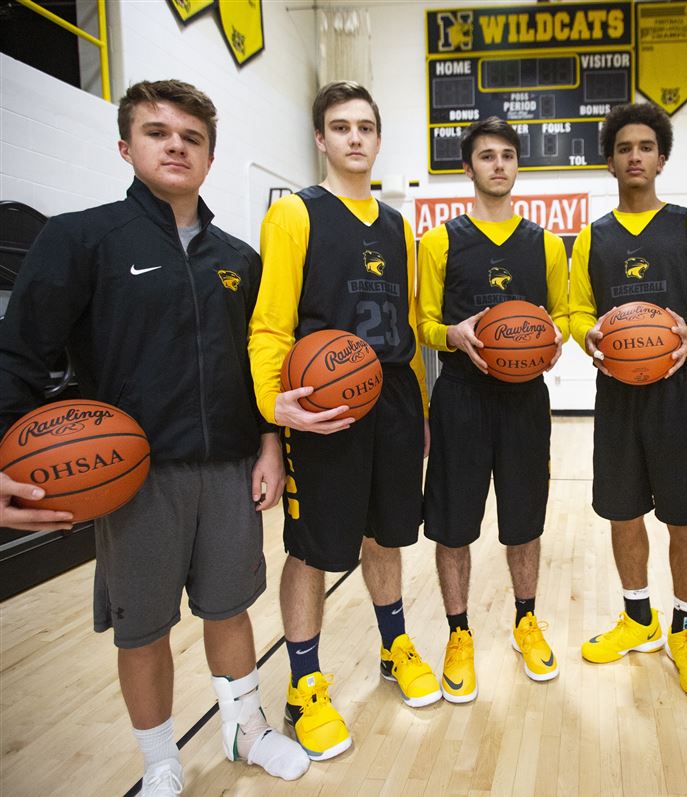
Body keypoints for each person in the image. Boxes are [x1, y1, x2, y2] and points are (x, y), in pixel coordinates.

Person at [0, 79, 309, 796]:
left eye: (192, 137)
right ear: (125, 146)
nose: (176, 146)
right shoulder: (81, 239)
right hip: (131, 477)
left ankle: (246, 729)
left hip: (229, 467)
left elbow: (256, 363)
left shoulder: (238, 257)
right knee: (142, 628)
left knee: (230, 607)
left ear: (210, 156)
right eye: (157, 132)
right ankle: (160, 759)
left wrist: (268, 442)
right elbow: (18, 354)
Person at [248, 81, 440, 760]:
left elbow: (410, 330)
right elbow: (270, 325)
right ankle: (304, 684)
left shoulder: (398, 226)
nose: (354, 137)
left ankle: (394, 646)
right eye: (340, 126)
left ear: (378, 139)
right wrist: (273, 406)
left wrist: (418, 412)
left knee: (385, 534)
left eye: (364, 126)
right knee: (312, 548)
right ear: (321, 139)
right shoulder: (294, 214)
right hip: (323, 404)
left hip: (392, 399)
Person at [569, 102, 687, 700]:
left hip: (677, 392)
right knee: (623, 510)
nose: (634, 156)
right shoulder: (592, 236)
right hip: (617, 392)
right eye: (624, 148)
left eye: (645, 147)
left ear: (661, 159)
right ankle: (639, 618)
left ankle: (685, 630)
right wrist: (586, 335)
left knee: (684, 517)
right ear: (610, 161)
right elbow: (576, 311)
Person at [417, 117, 568, 702]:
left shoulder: (546, 245)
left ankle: (526, 621)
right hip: (461, 394)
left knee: (524, 519)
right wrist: (451, 335)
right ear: (468, 167)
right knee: (453, 523)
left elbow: (563, 317)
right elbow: (423, 323)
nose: (498, 164)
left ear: (517, 165)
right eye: (487, 156)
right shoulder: (439, 242)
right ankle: (459, 633)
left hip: (525, 398)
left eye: (507, 155)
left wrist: (552, 340)